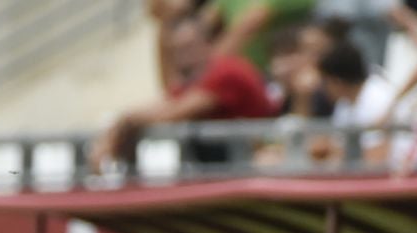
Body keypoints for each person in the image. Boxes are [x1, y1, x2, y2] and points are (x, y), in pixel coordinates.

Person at [93, 16, 279, 169]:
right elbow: (164, 105)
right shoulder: (195, 80)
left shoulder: (225, 72)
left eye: (189, 47)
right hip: (228, 166)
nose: (184, 55)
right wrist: (119, 124)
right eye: (179, 50)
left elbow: (173, 114)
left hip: (261, 158)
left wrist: (125, 122)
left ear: (207, 44)